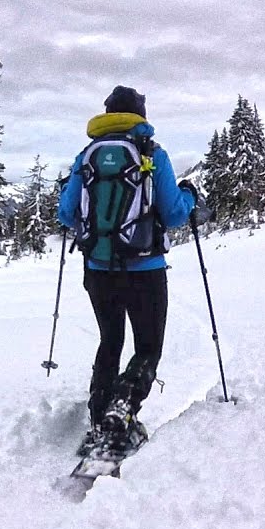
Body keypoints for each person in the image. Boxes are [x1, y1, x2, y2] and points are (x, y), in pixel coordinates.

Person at [57, 85, 209, 453]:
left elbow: (65, 213)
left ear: (107, 113)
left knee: (110, 341)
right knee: (147, 347)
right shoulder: (151, 152)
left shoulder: (86, 156)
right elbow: (173, 213)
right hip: (145, 270)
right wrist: (191, 196)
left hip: (98, 268)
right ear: (140, 114)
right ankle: (124, 405)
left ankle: (99, 418)